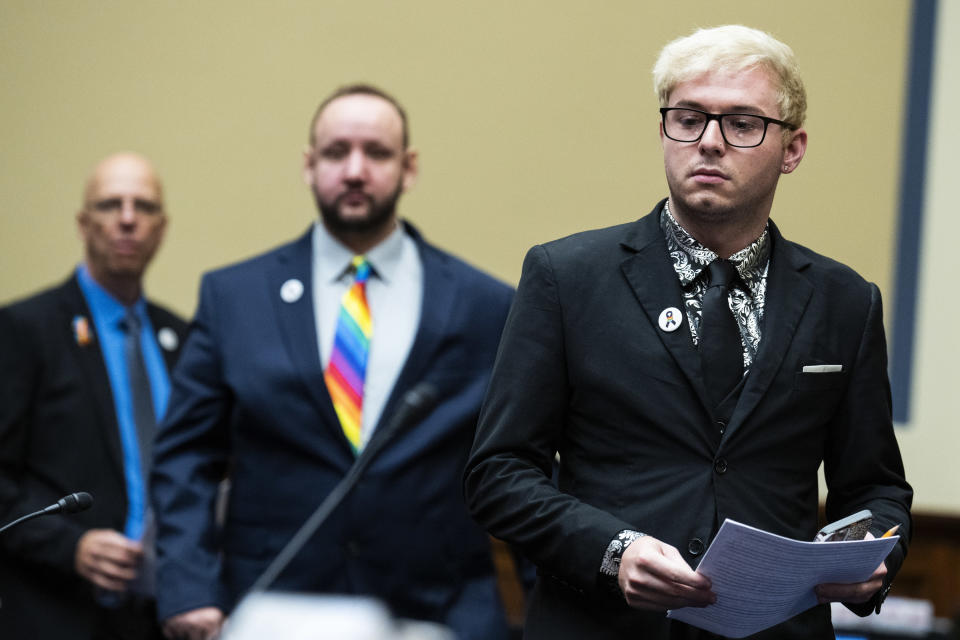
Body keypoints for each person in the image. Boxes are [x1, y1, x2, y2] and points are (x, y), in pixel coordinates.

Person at [463, 25, 912, 640]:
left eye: (743, 124)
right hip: (607, 626)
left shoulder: (845, 301)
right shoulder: (567, 278)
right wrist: (613, 550)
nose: (709, 142)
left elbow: (874, 486)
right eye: (689, 117)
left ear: (793, 149)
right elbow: (500, 473)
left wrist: (870, 554)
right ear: (663, 130)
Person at [151, 84, 515, 640]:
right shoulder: (236, 297)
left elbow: (520, 461)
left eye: (376, 152)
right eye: (335, 152)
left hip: (437, 611)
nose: (354, 170)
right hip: (274, 608)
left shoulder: (484, 303)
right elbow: (185, 458)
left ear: (409, 167)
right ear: (308, 164)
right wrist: (188, 588)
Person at [0, 152, 188, 639]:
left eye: (143, 207)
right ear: (84, 223)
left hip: (165, 616)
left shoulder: (183, 340)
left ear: (162, 227)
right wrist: (71, 546)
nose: (128, 219)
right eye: (111, 205)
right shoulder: (27, 329)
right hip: (58, 612)